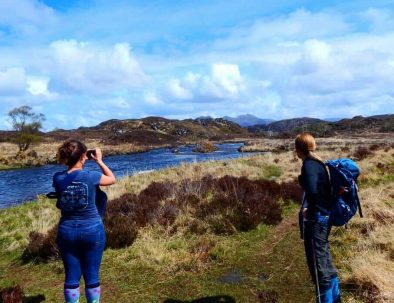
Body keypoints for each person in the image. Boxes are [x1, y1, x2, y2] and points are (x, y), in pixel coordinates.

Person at [53, 139, 116, 303]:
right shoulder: (91, 176)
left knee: (72, 276)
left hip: (66, 231)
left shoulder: (58, 178)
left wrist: (81, 157)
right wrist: (99, 161)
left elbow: (69, 174)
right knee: (92, 275)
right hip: (92, 230)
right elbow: (112, 178)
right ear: (82, 156)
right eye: (85, 155)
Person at [295, 133, 341, 303]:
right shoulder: (319, 163)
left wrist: (309, 209)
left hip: (316, 221)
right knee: (325, 260)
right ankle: (336, 299)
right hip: (324, 218)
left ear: (299, 148)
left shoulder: (308, 165)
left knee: (318, 267)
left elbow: (313, 191)